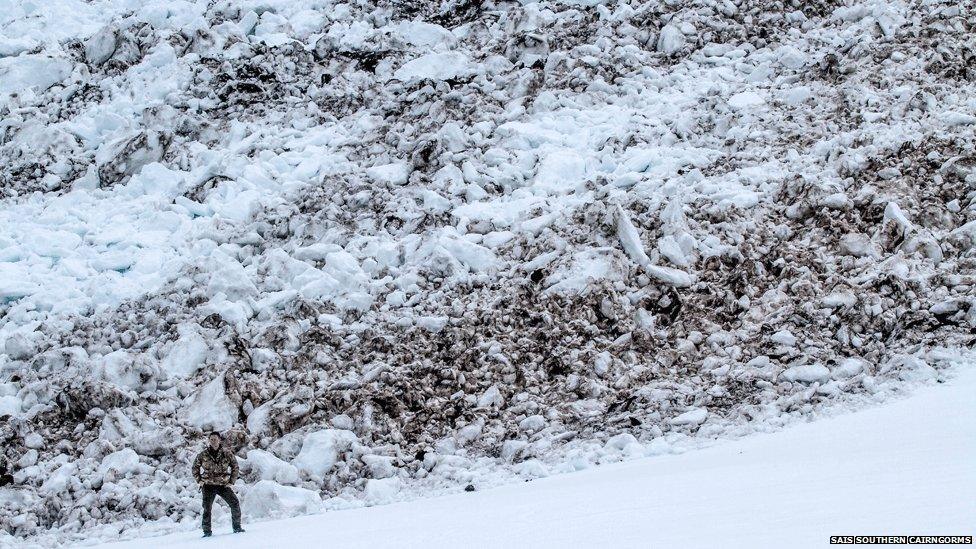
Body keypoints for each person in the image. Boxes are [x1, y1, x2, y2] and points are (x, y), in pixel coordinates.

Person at [192, 432, 244, 537]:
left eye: (215, 439)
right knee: (207, 509)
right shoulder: (203, 455)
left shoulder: (227, 453)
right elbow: (195, 468)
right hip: (208, 485)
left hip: (223, 485)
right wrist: (199, 480)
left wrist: (231, 482)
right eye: (211, 439)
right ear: (209, 441)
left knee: (235, 503)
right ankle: (207, 532)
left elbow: (235, 467)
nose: (213, 441)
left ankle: (237, 528)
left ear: (219, 440)